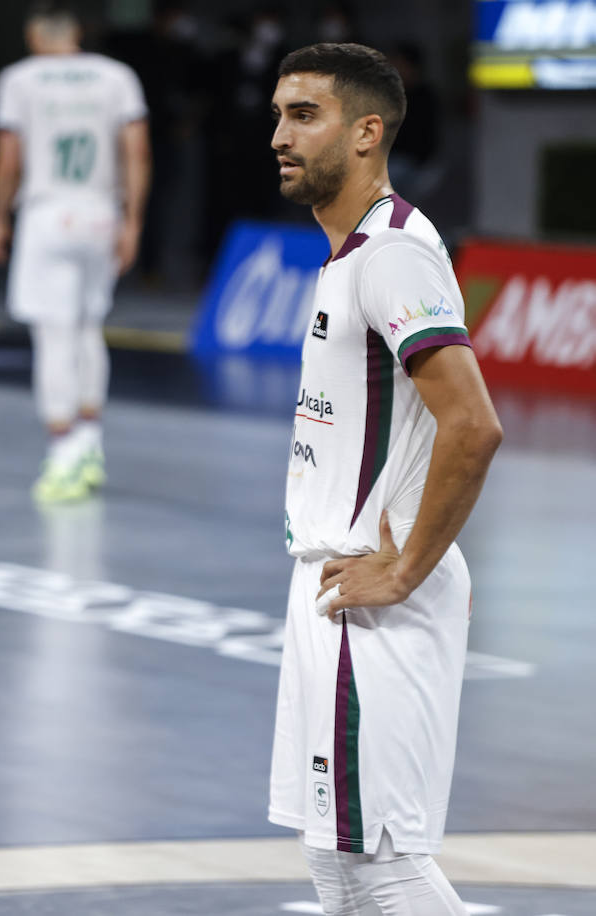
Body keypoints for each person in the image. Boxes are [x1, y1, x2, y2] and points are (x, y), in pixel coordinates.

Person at [267, 43, 503, 915]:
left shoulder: (394, 253)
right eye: (278, 115)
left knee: (380, 866)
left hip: (373, 597)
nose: (279, 136)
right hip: (336, 589)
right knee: (337, 862)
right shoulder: (351, 253)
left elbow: (473, 423)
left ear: (367, 132)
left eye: (304, 116)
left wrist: (403, 570)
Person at [0, 2, 151, 503]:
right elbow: (137, 152)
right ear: (76, 32)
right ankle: (90, 444)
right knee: (88, 327)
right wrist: (133, 221)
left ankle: (63, 455)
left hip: (48, 215)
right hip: (100, 213)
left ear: (35, 35)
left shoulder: (18, 79)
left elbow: (7, 159)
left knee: (54, 334)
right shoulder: (117, 76)